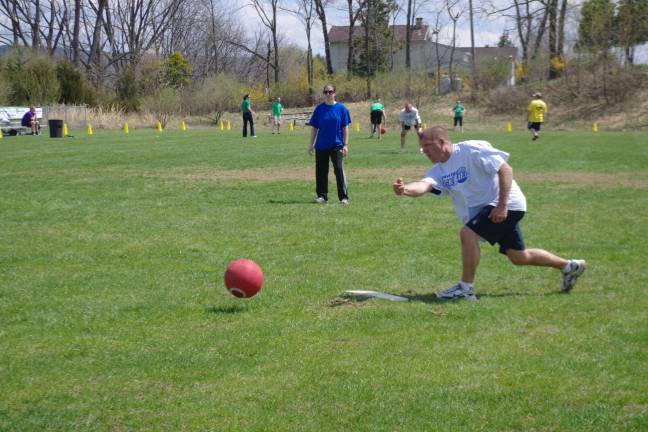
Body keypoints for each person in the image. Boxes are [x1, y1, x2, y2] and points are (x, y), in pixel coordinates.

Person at [393, 126, 586, 300]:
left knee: (468, 234)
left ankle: (465, 289)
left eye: (428, 145)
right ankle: (569, 266)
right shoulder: (438, 170)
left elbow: (505, 170)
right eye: (422, 147)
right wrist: (405, 190)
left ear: (442, 142)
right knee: (519, 256)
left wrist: (502, 205)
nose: (425, 151)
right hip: (492, 210)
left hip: (506, 204)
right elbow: (424, 185)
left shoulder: (471, 150)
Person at [308, 84, 351, 204]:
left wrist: (345, 144)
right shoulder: (319, 109)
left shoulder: (342, 109)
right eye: (325, 92)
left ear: (335, 93)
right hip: (321, 145)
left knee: (338, 169)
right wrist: (311, 144)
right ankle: (322, 196)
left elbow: (345, 128)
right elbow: (314, 128)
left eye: (330, 92)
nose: (328, 94)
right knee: (321, 171)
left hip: (337, 145)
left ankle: (343, 197)